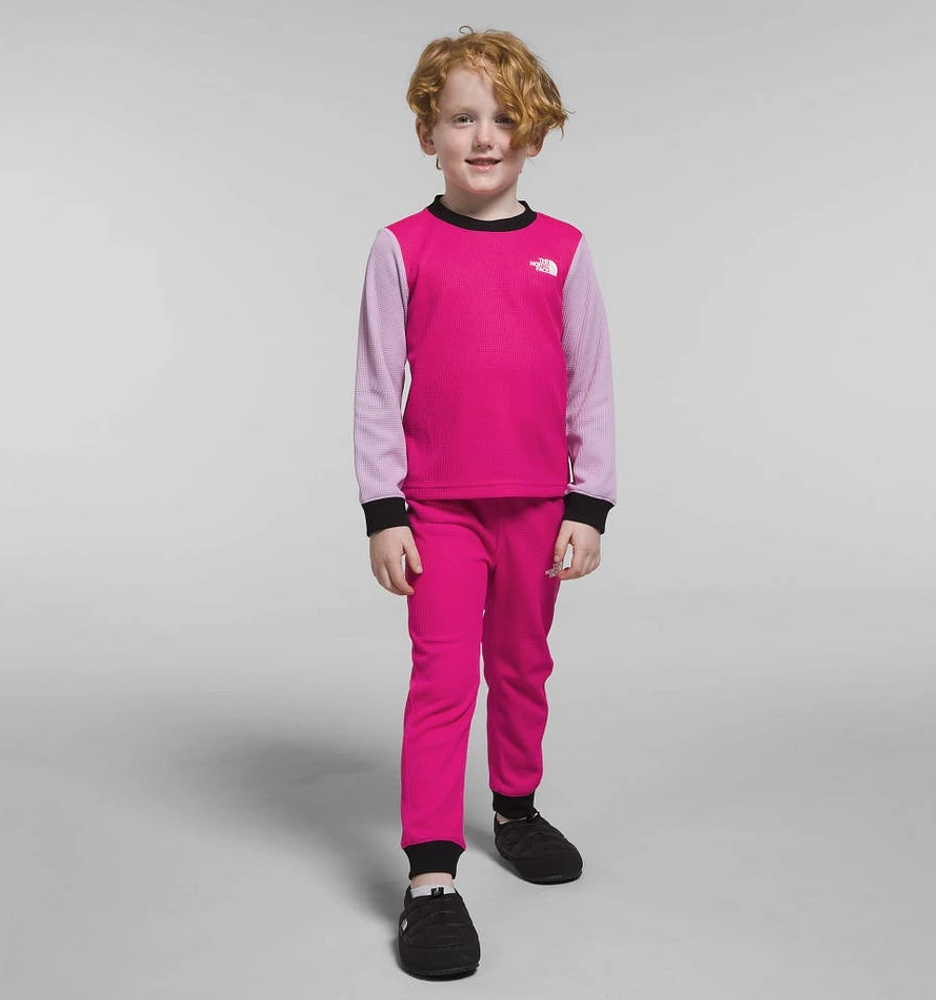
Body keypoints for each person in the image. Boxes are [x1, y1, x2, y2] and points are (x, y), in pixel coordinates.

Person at [352, 25, 617, 978]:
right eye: (462, 118)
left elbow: (591, 385)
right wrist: (385, 511)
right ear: (428, 133)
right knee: (442, 681)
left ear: (533, 134)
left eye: (504, 119)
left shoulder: (564, 251)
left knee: (521, 665)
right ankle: (431, 876)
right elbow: (376, 388)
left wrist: (589, 502)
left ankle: (515, 807)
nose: (484, 136)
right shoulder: (402, 248)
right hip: (438, 511)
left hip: (539, 506)